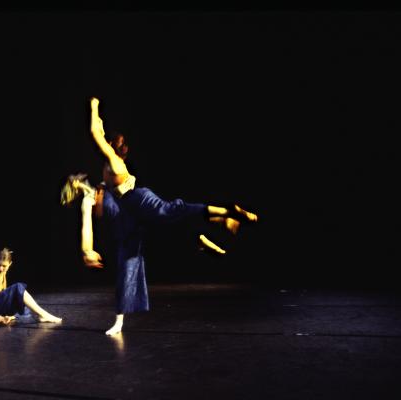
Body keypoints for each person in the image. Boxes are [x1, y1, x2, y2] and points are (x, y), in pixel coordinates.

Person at [59, 97, 258, 335]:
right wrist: (87, 250)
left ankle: (225, 213)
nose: (80, 174)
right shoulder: (95, 189)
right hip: (130, 218)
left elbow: (96, 131)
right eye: (77, 177)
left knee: (173, 211)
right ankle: (211, 229)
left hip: (136, 204)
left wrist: (93, 106)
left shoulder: (110, 167)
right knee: (134, 257)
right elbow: (87, 224)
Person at [0, 248, 62, 326]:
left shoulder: (3, 272)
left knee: (26, 307)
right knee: (18, 287)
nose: (1, 268)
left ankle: (39, 315)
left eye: (4, 266)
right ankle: (44, 315)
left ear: (10, 264)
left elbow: (2, 292)